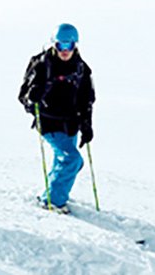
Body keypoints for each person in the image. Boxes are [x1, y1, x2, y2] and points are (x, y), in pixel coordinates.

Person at [18, 23, 95, 213]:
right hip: (49, 122)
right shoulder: (42, 64)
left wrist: (87, 125)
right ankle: (53, 201)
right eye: (61, 45)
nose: (65, 51)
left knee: (64, 161)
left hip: (71, 124)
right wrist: (32, 98)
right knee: (71, 160)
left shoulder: (82, 68)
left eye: (69, 45)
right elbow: (24, 96)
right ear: (54, 44)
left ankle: (50, 193)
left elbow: (87, 100)